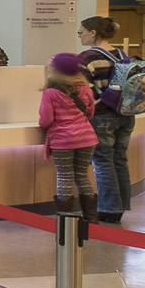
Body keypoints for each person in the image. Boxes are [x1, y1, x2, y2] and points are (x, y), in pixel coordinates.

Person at [78, 15, 134, 224]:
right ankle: (121, 206)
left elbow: (86, 92)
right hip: (126, 115)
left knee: (102, 162)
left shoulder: (87, 57)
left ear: (93, 33)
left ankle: (109, 209)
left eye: (81, 32)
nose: (80, 36)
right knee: (120, 159)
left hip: (102, 116)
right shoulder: (121, 54)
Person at [39, 53, 99, 218]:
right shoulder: (85, 89)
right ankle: (91, 218)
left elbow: (46, 120)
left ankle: (66, 219)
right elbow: (90, 113)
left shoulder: (50, 93)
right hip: (87, 138)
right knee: (82, 175)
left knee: (64, 176)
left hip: (63, 140)